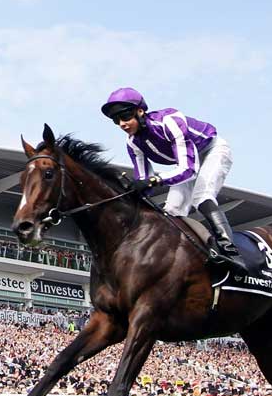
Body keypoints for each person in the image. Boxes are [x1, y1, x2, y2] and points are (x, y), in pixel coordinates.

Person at [101, 87, 247, 273]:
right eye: (116, 120)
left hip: (212, 150)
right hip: (187, 163)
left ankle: (231, 252)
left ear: (140, 111)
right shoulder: (133, 143)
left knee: (202, 196)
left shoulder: (169, 121)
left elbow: (187, 170)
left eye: (125, 116)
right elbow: (143, 181)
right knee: (171, 211)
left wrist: (153, 181)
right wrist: (131, 191)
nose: (122, 124)